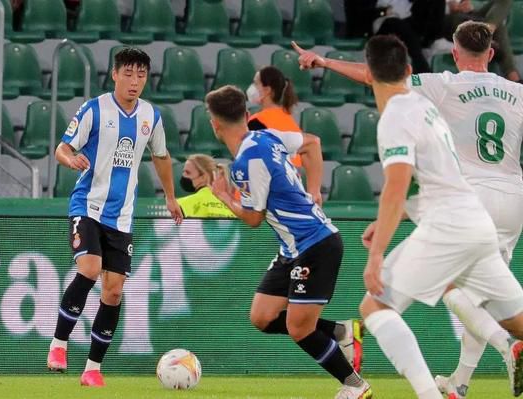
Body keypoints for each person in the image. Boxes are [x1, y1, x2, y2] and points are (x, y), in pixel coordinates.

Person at [293, 20, 523, 397]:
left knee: (396, 302)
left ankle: (500, 350)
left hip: (467, 199)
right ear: (493, 54)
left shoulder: (438, 87)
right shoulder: (516, 91)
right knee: (487, 299)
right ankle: (461, 382)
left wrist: (324, 62)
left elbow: (378, 80)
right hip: (512, 196)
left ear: (454, 52)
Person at [206, 85, 372, 399]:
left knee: (299, 328)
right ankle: (342, 332)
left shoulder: (245, 163)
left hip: (315, 243)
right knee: (262, 317)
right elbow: (312, 144)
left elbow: (254, 219)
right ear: (246, 114)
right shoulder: (266, 137)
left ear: (214, 123)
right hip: (292, 248)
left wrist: (225, 197)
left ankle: (355, 387)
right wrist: (315, 190)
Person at [46, 47, 183, 387]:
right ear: (115, 74)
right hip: (88, 205)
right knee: (90, 268)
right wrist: (70, 160)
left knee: (114, 292)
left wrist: (170, 196)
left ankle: (92, 368)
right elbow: (62, 147)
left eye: (141, 75)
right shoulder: (95, 108)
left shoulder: (151, 116)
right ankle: (59, 344)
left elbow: (162, 156)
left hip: (122, 217)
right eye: (129, 74)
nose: (135, 82)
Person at [446, 0, 522, 82]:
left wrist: (473, 5)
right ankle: (514, 77)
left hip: (473, 14)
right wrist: (450, 5)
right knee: (499, 27)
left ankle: (485, 33)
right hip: (453, 18)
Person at [246, 66, 303, 168]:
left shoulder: (257, 121)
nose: (252, 87)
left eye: (256, 83)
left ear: (267, 90)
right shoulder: (287, 116)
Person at [176, 154, 236, 218]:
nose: (183, 175)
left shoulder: (180, 204)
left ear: (203, 177)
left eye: (188, 172)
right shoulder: (232, 206)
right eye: (183, 172)